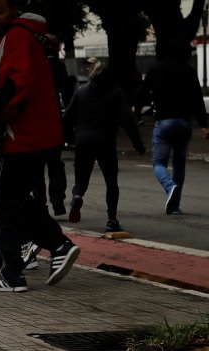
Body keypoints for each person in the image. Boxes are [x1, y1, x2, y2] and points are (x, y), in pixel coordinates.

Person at [0, 0, 80, 292]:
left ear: (14, 10)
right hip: (32, 138)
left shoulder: (17, 36)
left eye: (0, 10)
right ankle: (56, 245)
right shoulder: (25, 36)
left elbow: (16, 85)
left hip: (16, 139)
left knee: (1, 206)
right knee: (14, 203)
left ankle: (12, 273)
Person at [63, 60, 145, 232]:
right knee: (111, 181)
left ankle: (77, 196)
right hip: (105, 141)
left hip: (83, 140)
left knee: (81, 177)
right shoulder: (116, 93)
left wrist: (70, 138)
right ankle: (111, 219)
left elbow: (67, 118)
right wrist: (137, 144)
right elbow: (128, 120)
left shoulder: (81, 92)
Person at [135, 37, 209, 215]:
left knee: (159, 163)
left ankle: (170, 187)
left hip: (164, 122)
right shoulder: (189, 71)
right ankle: (175, 205)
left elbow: (140, 93)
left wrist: (147, 105)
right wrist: (204, 125)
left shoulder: (156, 69)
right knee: (179, 164)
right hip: (184, 124)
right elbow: (197, 100)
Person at [31, 33, 71, 218]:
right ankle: (57, 201)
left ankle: (40, 205)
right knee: (55, 163)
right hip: (52, 121)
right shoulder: (57, 66)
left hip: (33, 122)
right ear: (54, 47)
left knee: (37, 168)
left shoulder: (32, 64)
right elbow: (67, 94)